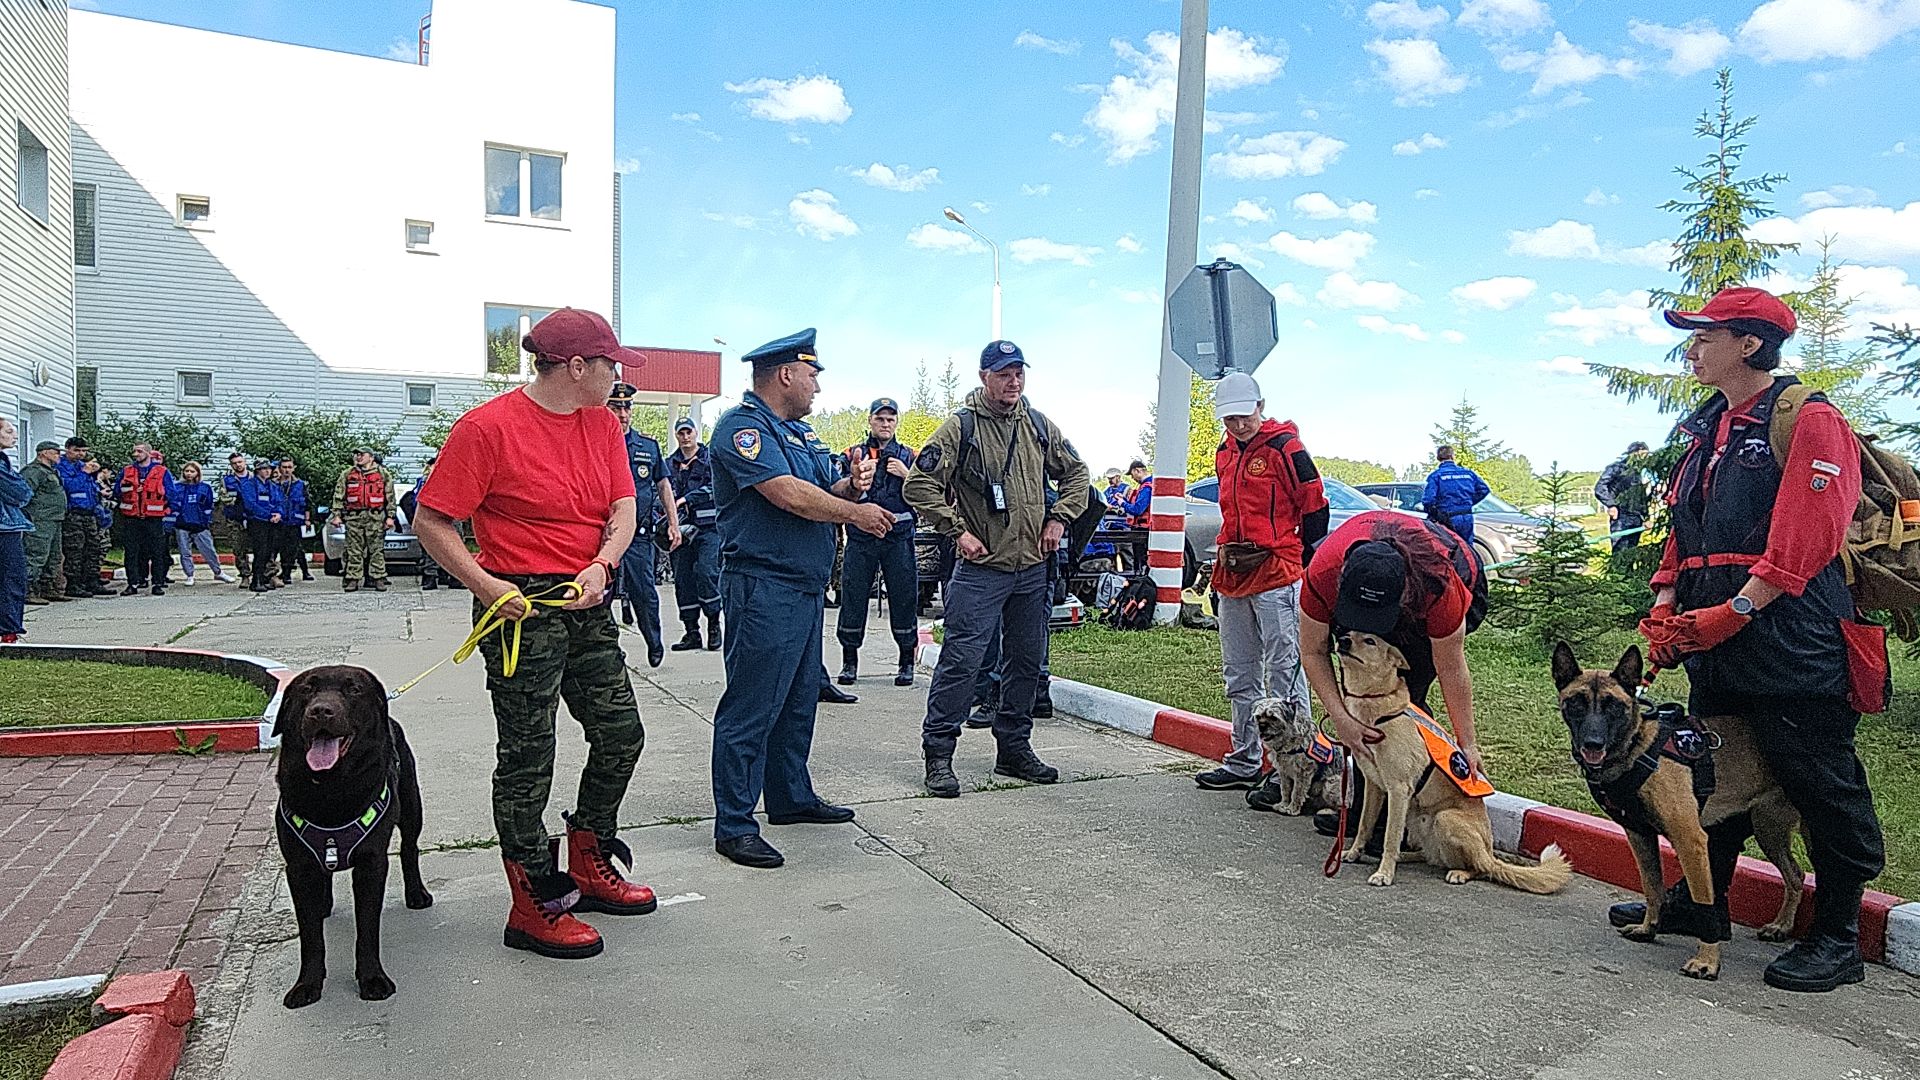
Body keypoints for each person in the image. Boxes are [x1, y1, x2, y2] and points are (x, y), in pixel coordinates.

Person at [1625, 287, 1884, 994]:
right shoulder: (1708, 428)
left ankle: (1837, 936)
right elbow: (1685, 530)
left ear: (1749, 344)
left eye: (1704, 336)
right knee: (1714, 770)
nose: (1691, 349)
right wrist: (1667, 606)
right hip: (1718, 637)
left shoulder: (1809, 420)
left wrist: (1736, 611)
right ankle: (1701, 903)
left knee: (1818, 778)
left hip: (1796, 638)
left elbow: (1807, 537)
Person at [413, 306, 656, 960]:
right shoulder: (487, 429)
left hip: (586, 596)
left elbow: (623, 506)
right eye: (610, 365)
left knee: (621, 734)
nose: (618, 377)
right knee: (528, 756)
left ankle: (589, 861)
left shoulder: (602, 424)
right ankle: (533, 904)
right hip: (518, 606)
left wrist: (603, 564)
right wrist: (486, 586)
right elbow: (432, 521)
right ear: (575, 366)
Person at [706, 328, 896, 869]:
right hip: (764, 586)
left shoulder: (800, 434)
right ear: (786, 374)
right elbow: (786, 494)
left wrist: (851, 486)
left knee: (796, 703)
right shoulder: (743, 428)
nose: (817, 386)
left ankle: (789, 797)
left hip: (803, 587)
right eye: (812, 375)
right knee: (752, 707)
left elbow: (820, 490)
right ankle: (735, 825)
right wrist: (856, 513)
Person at [905, 340, 1090, 798]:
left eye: (1019, 373)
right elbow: (919, 484)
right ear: (984, 377)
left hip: (1032, 569)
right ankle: (939, 754)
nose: (1014, 381)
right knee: (962, 662)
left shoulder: (1038, 425)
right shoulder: (961, 427)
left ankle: (1014, 749)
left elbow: (1077, 474)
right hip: (982, 568)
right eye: (1004, 374)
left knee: (1025, 662)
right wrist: (956, 531)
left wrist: (1059, 518)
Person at [1299, 509, 1489, 841]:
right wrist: (1341, 718)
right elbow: (1313, 651)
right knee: (1359, 690)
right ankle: (1365, 815)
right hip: (1376, 577)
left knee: (1404, 699)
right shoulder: (1323, 573)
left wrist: (1468, 743)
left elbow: (1451, 668)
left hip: (1451, 579)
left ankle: (1397, 818)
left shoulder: (1439, 587)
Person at [1191, 372, 1333, 801]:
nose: (1237, 425)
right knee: (1239, 672)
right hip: (1234, 570)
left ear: (1260, 406)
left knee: (1285, 671)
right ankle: (1244, 759)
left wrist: (1306, 562)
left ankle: (1295, 765)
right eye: (1229, 418)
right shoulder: (1224, 451)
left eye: (1244, 415)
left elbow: (1315, 505)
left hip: (1278, 570)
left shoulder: (1286, 447)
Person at [835, 396, 919, 687]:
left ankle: (906, 662)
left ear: (896, 422)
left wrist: (907, 475)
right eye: (880, 418)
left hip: (899, 538)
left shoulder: (910, 455)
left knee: (905, 598)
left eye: (890, 419)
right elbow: (836, 489)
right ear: (870, 420)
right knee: (853, 597)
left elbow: (931, 491)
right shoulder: (853, 454)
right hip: (861, 537)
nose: (885, 424)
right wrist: (856, 479)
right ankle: (849, 662)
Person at [606, 383, 681, 667]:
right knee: (601, 596)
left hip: (638, 537)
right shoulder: (595, 443)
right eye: (616, 407)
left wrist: (673, 523)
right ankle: (609, 648)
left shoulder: (647, 447)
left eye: (627, 407)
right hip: (605, 536)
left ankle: (654, 641)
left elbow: (663, 486)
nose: (623, 414)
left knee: (645, 593)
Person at [666, 417, 721, 651]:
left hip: (709, 529)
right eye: (681, 433)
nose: (685, 437)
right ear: (676, 435)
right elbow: (661, 490)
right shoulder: (670, 463)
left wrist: (687, 499)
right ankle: (691, 632)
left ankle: (714, 625)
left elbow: (716, 487)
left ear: (696, 433)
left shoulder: (711, 460)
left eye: (689, 432)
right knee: (683, 580)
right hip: (681, 530)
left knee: (707, 573)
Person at [331, 448, 396, 592]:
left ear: (371, 457)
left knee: (377, 550)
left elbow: (390, 497)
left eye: (362, 454)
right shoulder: (348, 474)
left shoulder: (383, 474)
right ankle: (353, 579)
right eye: (357, 454)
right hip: (354, 517)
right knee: (353, 550)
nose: (358, 457)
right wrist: (336, 515)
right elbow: (339, 496)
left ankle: (378, 578)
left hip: (376, 517)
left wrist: (390, 517)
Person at [116, 442, 173, 596]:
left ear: (148, 453)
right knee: (131, 552)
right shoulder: (127, 471)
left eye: (139, 451)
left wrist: (166, 510)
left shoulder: (161, 471)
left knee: (157, 552)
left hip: (153, 518)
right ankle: (133, 584)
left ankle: (157, 583)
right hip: (132, 518)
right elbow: (117, 491)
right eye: (134, 451)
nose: (136, 454)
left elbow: (171, 493)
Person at [20, 441, 70, 606]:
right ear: (44, 453)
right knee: (36, 554)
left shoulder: (50, 471)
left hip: (54, 519)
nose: (59, 455)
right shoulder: (33, 471)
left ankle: (48, 588)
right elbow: (25, 494)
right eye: (55, 452)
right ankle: (29, 590)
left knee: (54, 556)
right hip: (40, 519)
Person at [56, 438, 107, 599]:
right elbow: (69, 487)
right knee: (74, 549)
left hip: (89, 512)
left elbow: (91, 489)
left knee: (93, 547)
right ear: (68, 449)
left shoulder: (82, 466)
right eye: (77, 450)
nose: (81, 454)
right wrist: (84, 472)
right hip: (73, 513)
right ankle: (74, 583)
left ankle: (91, 580)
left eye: (84, 451)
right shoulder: (61, 467)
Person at [169, 461, 232, 585]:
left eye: (192, 471)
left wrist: (206, 519)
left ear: (197, 473)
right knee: (185, 552)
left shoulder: (205, 487)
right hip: (182, 524)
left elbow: (209, 505)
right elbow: (173, 504)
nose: (189, 474)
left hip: (200, 524)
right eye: (187, 471)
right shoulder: (178, 487)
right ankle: (189, 575)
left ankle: (218, 572)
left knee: (209, 550)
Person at [0, 420, 32, 642]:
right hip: (4, 528)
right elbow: (21, 492)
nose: (14, 435)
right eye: (9, 431)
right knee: (11, 578)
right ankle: (8, 630)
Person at [1422, 446, 1490, 545]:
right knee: (1467, 548)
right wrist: (1469, 502)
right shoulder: (1468, 473)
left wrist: (1435, 514)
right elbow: (1484, 489)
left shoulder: (1436, 476)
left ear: (1438, 458)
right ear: (1453, 456)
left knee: (1448, 548)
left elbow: (1428, 500)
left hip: (1446, 518)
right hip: (1466, 517)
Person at [1594, 441, 1652, 554]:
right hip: (1620, 516)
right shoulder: (1616, 468)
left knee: (1632, 552)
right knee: (1620, 551)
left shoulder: (1638, 472)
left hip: (1637, 517)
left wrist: (1646, 517)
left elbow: (1640, 496)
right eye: (1640, 454)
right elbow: (1600, 487)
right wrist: (1611, 505)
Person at [240, 458, 285, 593]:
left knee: (269, 552)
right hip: (258, 522)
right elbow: (250, 504)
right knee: (260, 551)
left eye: (269, 468)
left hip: (272, 523)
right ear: (257, 470)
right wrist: (268, 515)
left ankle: (264, 577)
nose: (267, 471)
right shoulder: (249, 485)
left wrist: (278, 513)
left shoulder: (272, 486)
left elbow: (279, 502)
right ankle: (257, 579)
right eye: (264, 469)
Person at [275, 460, 313, 582]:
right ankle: (285, 572)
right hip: (280, 521)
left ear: (293, 468)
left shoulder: (301, 484)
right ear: (279, 468)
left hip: (296, 521)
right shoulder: (274, 484)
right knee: (282, 547)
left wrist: (307, 519)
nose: (287, 470)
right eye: (284, 467)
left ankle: (292, 573)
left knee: (294, 547)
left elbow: (307, 503)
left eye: (289, 467)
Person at [219, 451, 252, 584]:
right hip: (235, 519)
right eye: (234, 463)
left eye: (240, 462)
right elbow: (224, 498)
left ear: (245, 462)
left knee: (261, 546)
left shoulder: (254, 478)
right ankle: (245, 575)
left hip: (253, 517)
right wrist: (238, 499)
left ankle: (264, 574)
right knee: (238, 548)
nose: (238, 465)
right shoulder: (227, 480)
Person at [1119, 460, 1152, 526]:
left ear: (1137, 471)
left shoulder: (1146, 487)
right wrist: (1123, 499)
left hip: (1144, 529)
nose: (1132, 478)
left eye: (1132, 475)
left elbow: (1137, 510)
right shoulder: (1149, 484)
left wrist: (1122, 503)